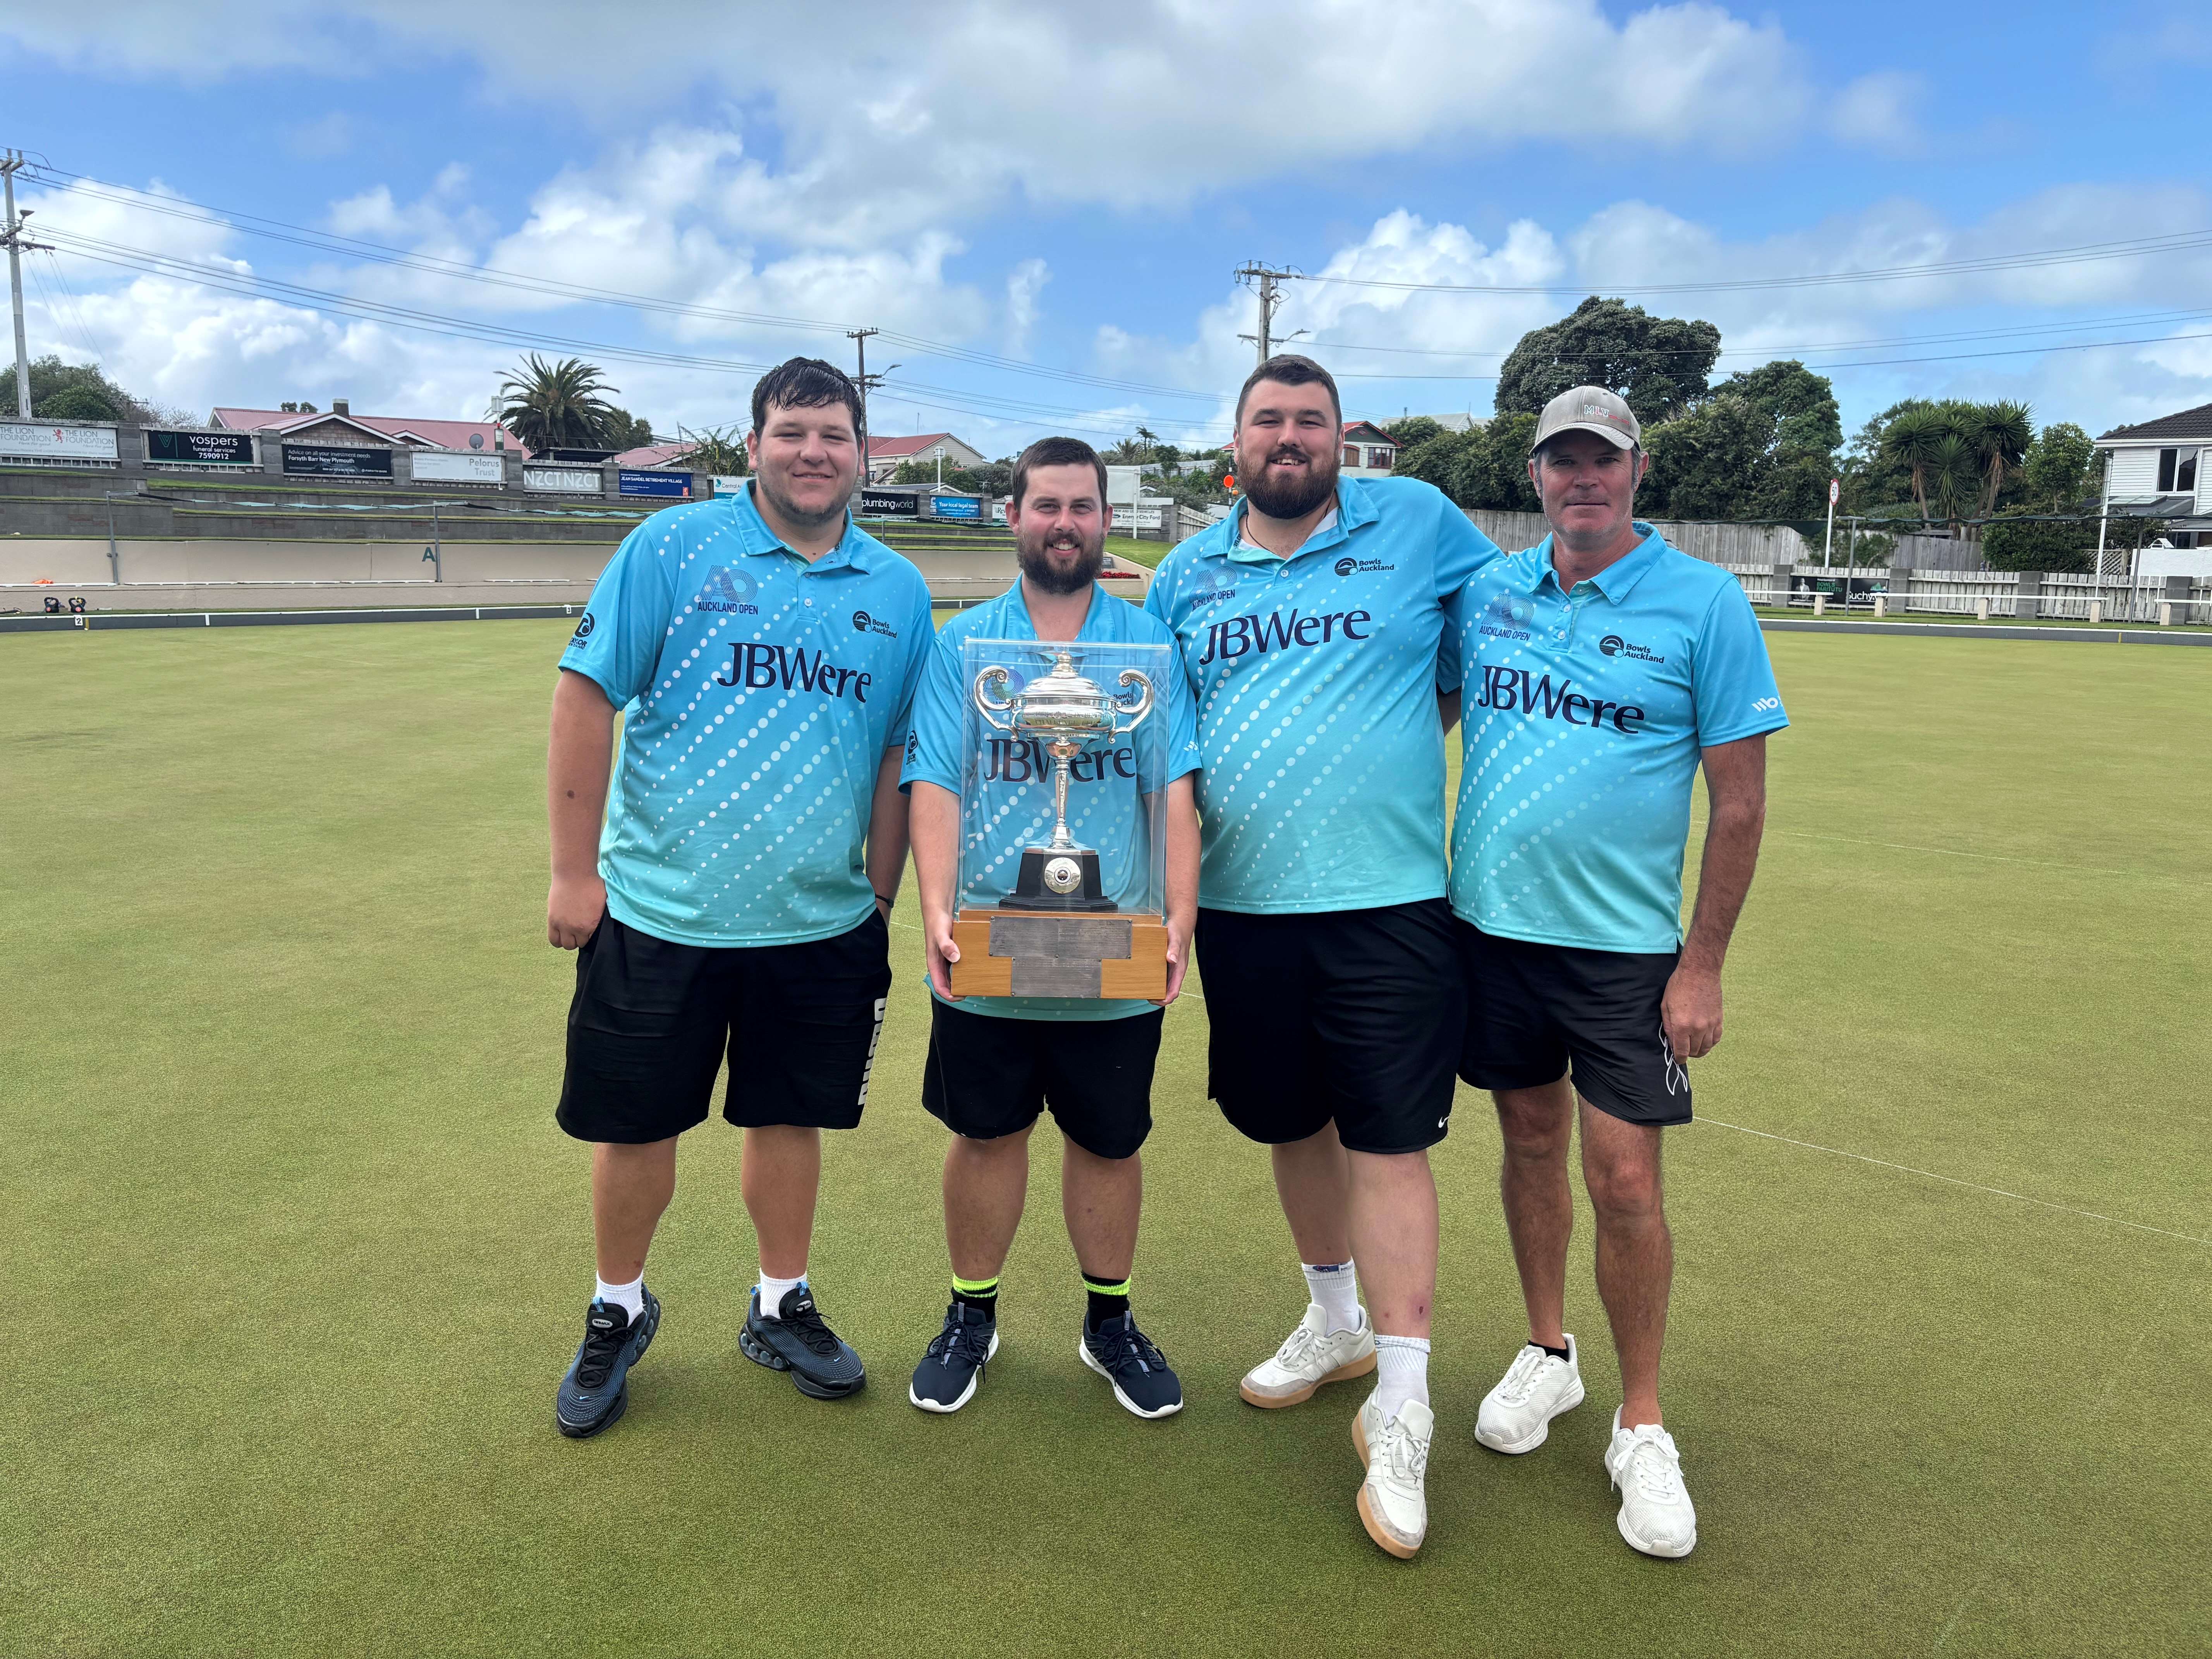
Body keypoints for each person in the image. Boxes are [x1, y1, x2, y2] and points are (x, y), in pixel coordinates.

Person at [1143, 355, 1501, 1558]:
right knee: (1291, 1124)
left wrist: (1386, 736)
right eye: (1269, 420)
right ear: (1235, 442)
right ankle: (1337, 1320)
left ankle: (1403, 1403)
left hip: (1388, 902)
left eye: (1311, 420)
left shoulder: (1419, 521)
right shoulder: (1187, 574)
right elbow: (1159, 739)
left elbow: (1481, 648)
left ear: (1341, 437)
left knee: (1389, 1142)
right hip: (1243, 909)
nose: (1289, 436)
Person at [544, 357, 933, 1436]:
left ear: (862, 453)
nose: (814, 451)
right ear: (753, 445)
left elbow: (898, 754)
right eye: (792, 432)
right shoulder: (672, 546)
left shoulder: (898, 590)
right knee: (636, 1128)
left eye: (835, 434)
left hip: (819, 924)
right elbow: (585, 696)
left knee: (789, 1119)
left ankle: (779, 1302)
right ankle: (617, 1307)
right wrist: (573, 873)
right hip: (661, 912)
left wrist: (881, 899)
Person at [1443, 385, 1788, 1558]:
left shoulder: (1705, 601)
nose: (1581, 478)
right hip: (1493, 932)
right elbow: (1424, 709)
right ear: (1537, 477)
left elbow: (1739, 805)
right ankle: (1550, 1352)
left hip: (1628, 955)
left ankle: (1642, 1421)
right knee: (1528, 1142)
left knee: (1627, 1179)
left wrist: (1703, 966)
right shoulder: (1491, 592)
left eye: (1603, 459)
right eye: (1562, 461)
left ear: (1638, 471)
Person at [903, 436, 1202, 1419]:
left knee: (1109, 1142)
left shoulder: (1147, 648)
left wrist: (1179, 920)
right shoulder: (966, 646)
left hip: (1112, 946)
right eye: (1047, 505)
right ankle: (972, 1316)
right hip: (993, 943)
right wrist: (936, 910)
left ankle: (1109, 1322)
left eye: (1082, 507)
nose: (1064, 524)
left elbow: (1172, 790)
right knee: (985, 1133)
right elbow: (937, 780)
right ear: (1015, 516)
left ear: (1105, 519)